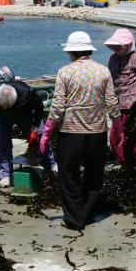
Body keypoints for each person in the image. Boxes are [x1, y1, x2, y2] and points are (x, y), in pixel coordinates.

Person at [39, 31, 120, 231]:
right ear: (88, 50)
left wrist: (47, 131)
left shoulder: (65, 72)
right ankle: (85, 214)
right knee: (94, 175)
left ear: (71, 52)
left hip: (70, 133)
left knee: (68, 175)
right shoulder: (103, 71)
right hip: (97, 132)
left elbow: (57, 106)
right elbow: (111, 103)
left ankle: (75, 218)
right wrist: (117, 126)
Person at [0, 67, 55, 187]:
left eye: (9, 106)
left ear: (15, 99)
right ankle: (5, 175)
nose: (6, 108)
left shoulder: (27, 92)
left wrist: (35, 127)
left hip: (25, 114)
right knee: (2, 142)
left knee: (39, 137)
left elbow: (39, 108)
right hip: (3, 119)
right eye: (3, 106)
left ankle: (51, 165)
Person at [104, 28, 136, 165]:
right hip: (117, 104)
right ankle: (122, 160)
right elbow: (110, 79)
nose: (116, 48)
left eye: (119, 45)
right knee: (115, 136)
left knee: (133, 135)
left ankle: (135, 161)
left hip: (134, 104)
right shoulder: (112, 59)